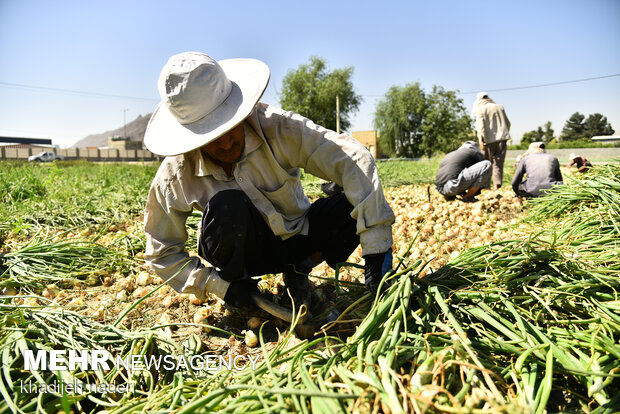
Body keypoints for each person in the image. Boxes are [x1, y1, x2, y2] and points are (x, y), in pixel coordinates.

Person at [142, 52, 395, 313]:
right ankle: (244, 291)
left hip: (301, 238)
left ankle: (300, 271)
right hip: (242, 255)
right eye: (213, 138)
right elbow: (161, 252)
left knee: (348, 205)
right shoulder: (175, 175)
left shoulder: (279, 128)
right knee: (227, 206)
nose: (227, 144)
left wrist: (376, 249)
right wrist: (219, 286)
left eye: (230, 129)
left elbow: (354, 159)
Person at [472, 92, 511, 190]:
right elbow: (508, 123)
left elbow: (481, 127)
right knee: (498, 164)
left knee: (487, 164)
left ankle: (486, 186)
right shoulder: (499, 107)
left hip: (488, 140)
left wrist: (482, 140)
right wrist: (504, 132)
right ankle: (497, 185)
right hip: (502, 139)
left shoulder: (481, 109)